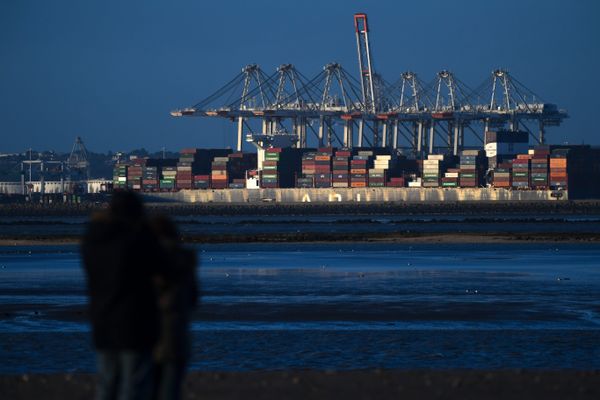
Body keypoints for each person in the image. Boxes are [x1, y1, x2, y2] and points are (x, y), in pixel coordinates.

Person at [81, 191, 167, 400]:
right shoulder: (137, 240)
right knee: (134, 385)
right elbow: (162, 265)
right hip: (135, 323)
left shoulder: (92, 240)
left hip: (102, 322)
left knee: (106, 383)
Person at [150, 215, 198, 400]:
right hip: (176, 336)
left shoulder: (143, 262)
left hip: (146, 338)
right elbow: (193, 299)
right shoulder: (184, 262)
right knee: (171, 390)